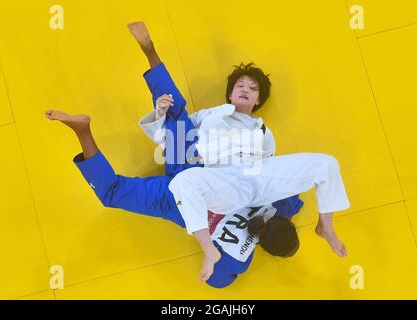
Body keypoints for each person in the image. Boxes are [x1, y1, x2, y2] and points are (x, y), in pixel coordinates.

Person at [44, 21, 304, 287]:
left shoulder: (281, 198)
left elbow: (292, 193)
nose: (245, 91)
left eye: (252, 89)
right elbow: (216, 280)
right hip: (181, 197)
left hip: (194, 171)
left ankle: (150, 51)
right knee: (112, 192)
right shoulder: (240, 257)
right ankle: (83, 132)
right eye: (242, 87)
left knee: (175, 114)